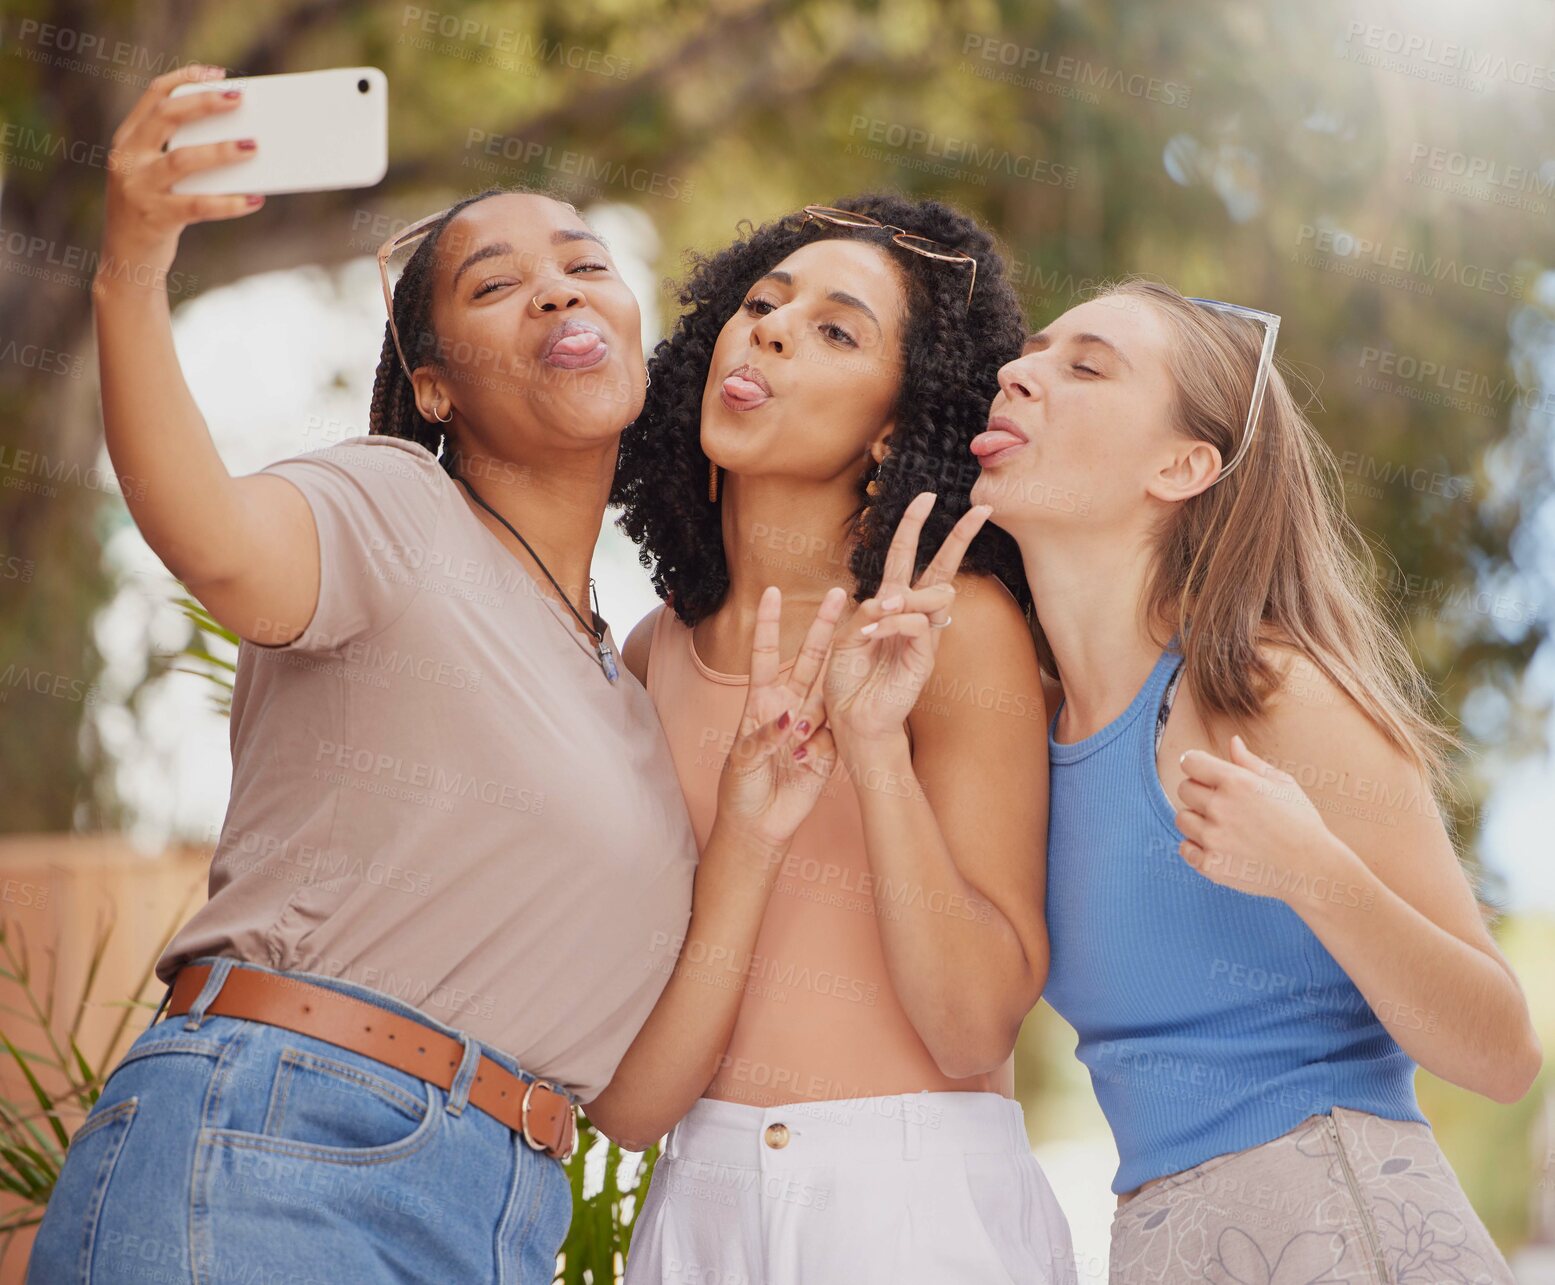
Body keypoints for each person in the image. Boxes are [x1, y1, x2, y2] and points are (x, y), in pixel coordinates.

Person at [30, 64, 846, 1284]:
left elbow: (628, 1100)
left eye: (581, 261)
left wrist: (749, 834)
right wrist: (132, 268)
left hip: (499, 1209)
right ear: (431, 384)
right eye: (497, 283)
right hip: (277, 1143)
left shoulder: (619, 693)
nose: (557, 287)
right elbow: (213, 539)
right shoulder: (397, 501)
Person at [971, 277, 1542, 1282]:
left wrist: (1311, 871)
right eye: (1032, 353)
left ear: (1183, 464)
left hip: (1342, 1229)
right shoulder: (1024, 732)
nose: (1018, 373)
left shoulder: (1264, 690)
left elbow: (1500, 1050)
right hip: (1159, 1243)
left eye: (1086, 366)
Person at [613, 196, 1077, 1284]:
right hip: (698, 1209)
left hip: (907, 1206)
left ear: (892, 423)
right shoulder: (648, 655)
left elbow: (969, 1030)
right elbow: (634, 1105)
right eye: (762, 303)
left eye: (837, 329)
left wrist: (874, 751)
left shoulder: (951, 628)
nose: (768, 328)